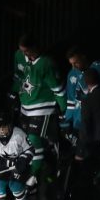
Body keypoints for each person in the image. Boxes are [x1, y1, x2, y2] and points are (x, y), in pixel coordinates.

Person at [12, 37, 66, 186]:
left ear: (35, 46)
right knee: (30, 142)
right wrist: (13, 92)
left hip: (43, 109)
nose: (25, 54)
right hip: (25, 109)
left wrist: (63, 111)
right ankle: (44, 172)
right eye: (23, 51)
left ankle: (34, 176)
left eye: (28, 51)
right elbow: (18, 77)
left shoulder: (47, 63)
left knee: (34, 141)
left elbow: (58, 89)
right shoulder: (18, 56)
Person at [62, 46, 100, 146]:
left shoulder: (99, 68)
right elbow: (71, 101)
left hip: (97, 122)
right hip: (79, 124)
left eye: (76, 62)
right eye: (71, 64)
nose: (74, 67)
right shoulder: (72, 74)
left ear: (83, 57)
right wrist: (68, 121)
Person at [75, 68, 100, 159]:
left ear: (85, 82)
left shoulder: (88, 100)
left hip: (98, 144)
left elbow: (85, 125)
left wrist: (80, 151)